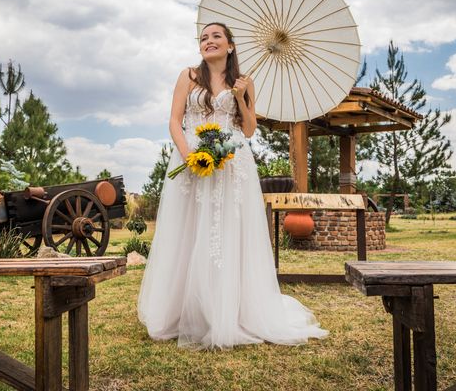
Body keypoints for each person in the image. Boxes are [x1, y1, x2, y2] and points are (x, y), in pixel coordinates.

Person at [138, 22, 328, 349]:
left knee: (224, 231)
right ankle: (184, 310)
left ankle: (228, 312)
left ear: (230, 46)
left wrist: (241, 98)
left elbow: (251, 129)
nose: (208, 41)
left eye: (216, 37)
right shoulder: (188, 76)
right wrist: (188, 157)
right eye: (203, 38)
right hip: (191, 160)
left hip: (232, 163)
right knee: (188, 230)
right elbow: (174, 119)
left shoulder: (245, 82)